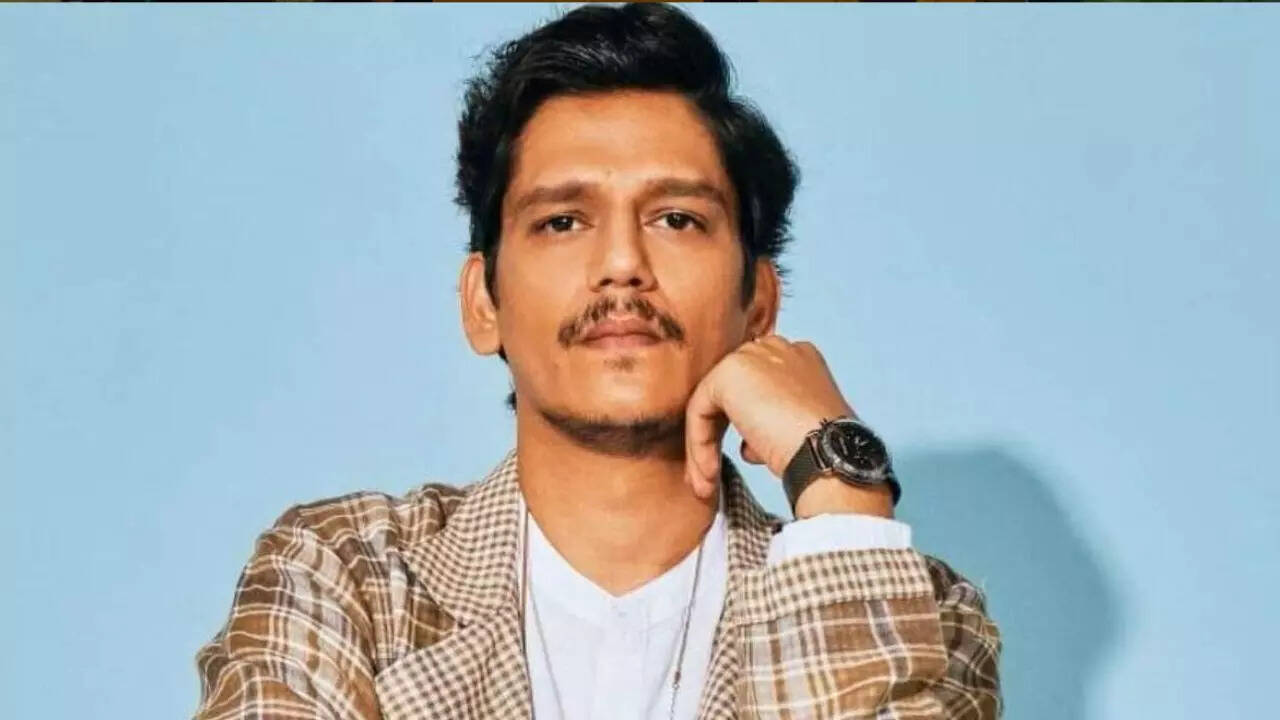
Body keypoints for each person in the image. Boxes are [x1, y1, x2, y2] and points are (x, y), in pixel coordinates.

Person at [193, 4, 1002, 719]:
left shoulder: (923, 613)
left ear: (758, 304)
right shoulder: (346, 575)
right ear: (483, 302)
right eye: (562, 222)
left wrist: (837, 479)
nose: (622, 264)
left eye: (677, 219)